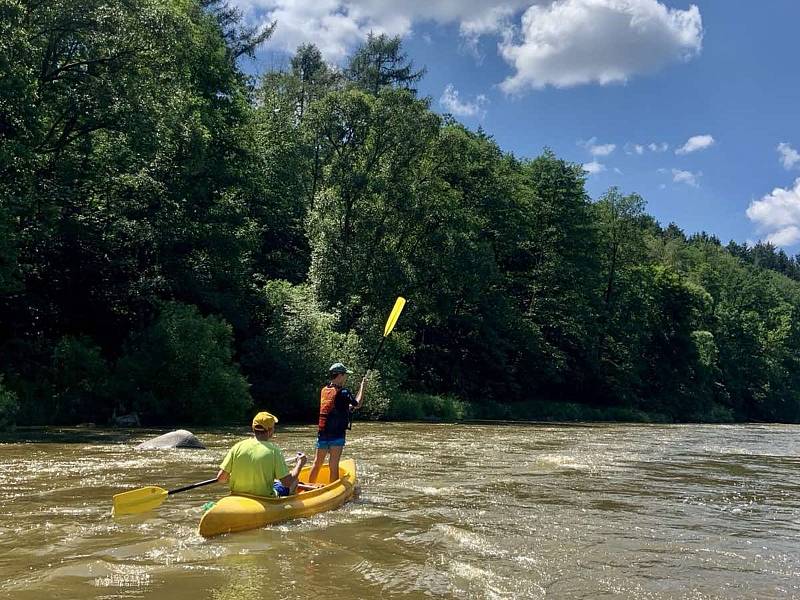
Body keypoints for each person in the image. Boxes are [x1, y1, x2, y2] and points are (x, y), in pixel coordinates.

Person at [216, 411, 307, 497]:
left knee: (275, 481)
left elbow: (221, 478)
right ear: (270, 430)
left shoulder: (237, 447)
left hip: (237, 495)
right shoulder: (274, 451)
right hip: (264, 498)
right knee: (295, 481)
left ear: (253, 428)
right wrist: (300, 464)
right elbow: (287, 483)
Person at [308, 362, 366, 484]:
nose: (346, 378)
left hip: (322, 433)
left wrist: (348, 408)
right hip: (337, 434)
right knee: (333, 465)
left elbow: (337, 406)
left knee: (317, 463)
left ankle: (309, 486)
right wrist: (362, 386)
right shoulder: (344, 392)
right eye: (345, 375)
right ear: (340, 375)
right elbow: (358, 403)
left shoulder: (325, 390)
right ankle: (331, 489)